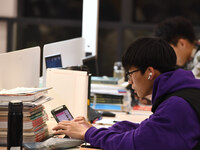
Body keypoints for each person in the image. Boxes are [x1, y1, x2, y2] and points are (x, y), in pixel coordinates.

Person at [52, 37, 200, 150]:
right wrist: (95, 130)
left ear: (149, 73)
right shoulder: (182, 90)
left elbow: (136, 142)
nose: (129, 81)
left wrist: (88, 134)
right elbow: (148, 129)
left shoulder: (176, 105)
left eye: (130, 73)